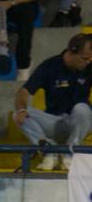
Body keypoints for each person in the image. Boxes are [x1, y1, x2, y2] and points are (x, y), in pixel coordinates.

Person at [15, 33, 92, 171]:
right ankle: (49, 150)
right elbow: (24, 92)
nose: (88, 62)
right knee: (20, 115)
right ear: (72, 52)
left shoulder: (89, 67)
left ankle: (70, 152)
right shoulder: (50, 66)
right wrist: (21, 110)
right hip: (54, 123)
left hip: (79, 124)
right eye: (84, 58)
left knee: (82, 108)